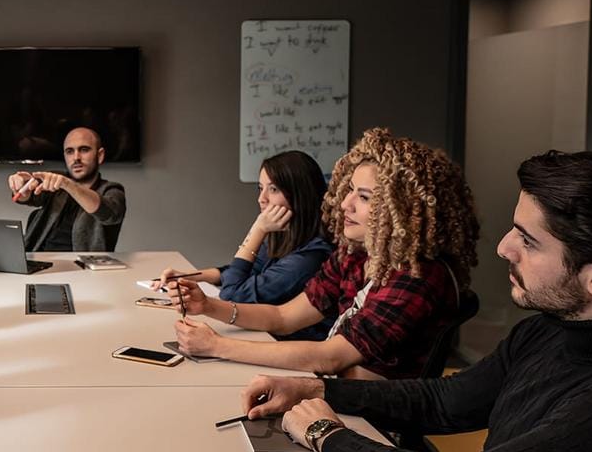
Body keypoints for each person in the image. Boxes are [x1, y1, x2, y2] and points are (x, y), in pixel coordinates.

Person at [244, 149, 592, 452]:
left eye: (528, 240)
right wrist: (318, 391)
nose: (503, 248)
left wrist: (323, 432)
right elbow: (447, 400)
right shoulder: (547, 330)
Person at [170, 128, 478, 379]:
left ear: (406, 210)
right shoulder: (354, 256)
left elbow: (330, 357)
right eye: (349, 191)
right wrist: (208, 305)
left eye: (365, 197)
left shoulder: (417, 277)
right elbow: (284, 316)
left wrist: (217, 346)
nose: (345, 204)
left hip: (371, 421)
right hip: (331, 391)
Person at [154, 150, 333, 339]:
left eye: (273, 189)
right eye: (260, 188)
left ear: (299, 195)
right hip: (263, 337)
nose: (261, 198)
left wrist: (257, 230)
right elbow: (242, 271)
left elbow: (232, 296)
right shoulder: (285, 235)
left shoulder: (310, 258)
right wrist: (192, 276)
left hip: (291, 349)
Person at [7, 126, 127, 251]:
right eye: (70, 151)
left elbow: (110, 213)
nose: (76, 158)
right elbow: (29, 197)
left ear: (100, 155)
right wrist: (23, 188)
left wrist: (68, 184)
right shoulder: (58, 181)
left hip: (83, 267)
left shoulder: (112, 190)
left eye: (84, 150)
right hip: (41, 261)